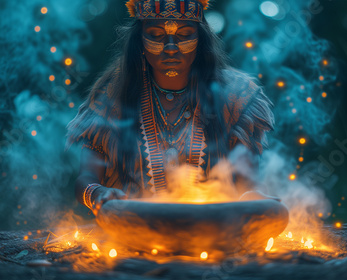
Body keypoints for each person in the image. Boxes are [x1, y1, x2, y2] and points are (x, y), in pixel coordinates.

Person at [66, 0, 279, 215]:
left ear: (200, 40)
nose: (170, 47)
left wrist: (250, 198)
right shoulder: (111, 97)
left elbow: (246, 181)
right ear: (139, 41)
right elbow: (86, 178)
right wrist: (97, 194)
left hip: (214, 230)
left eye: (184, 34)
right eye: (156, 36)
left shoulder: (236, 97)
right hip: (131, 229)